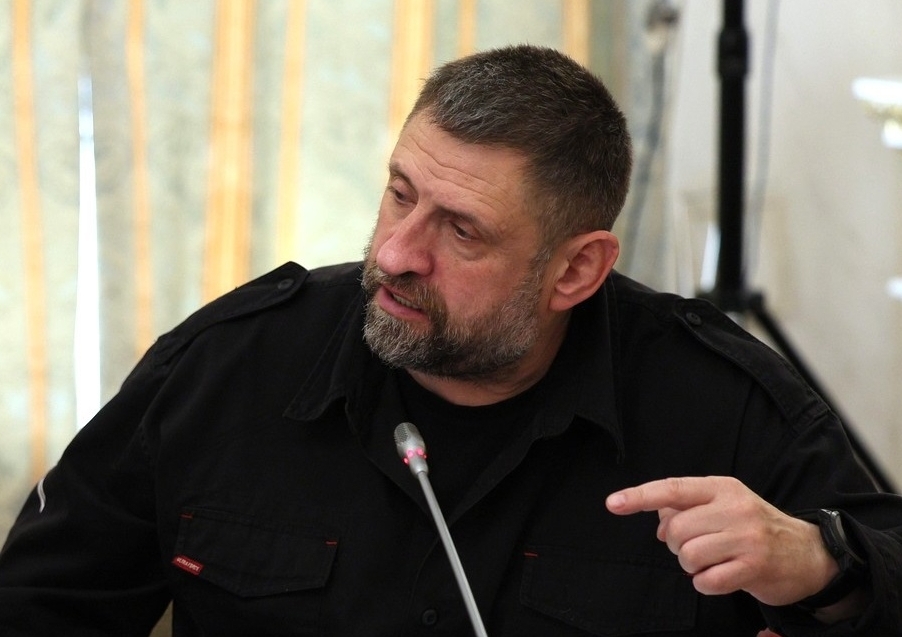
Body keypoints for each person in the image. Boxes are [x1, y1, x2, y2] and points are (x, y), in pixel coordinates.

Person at [1, 44, 900, 637]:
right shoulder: (229, 368)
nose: (396, 252)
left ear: (575, 270)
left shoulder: (720, 406)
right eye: (399, 193)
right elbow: (39, 602)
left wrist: (827, 567)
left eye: (462, 231)